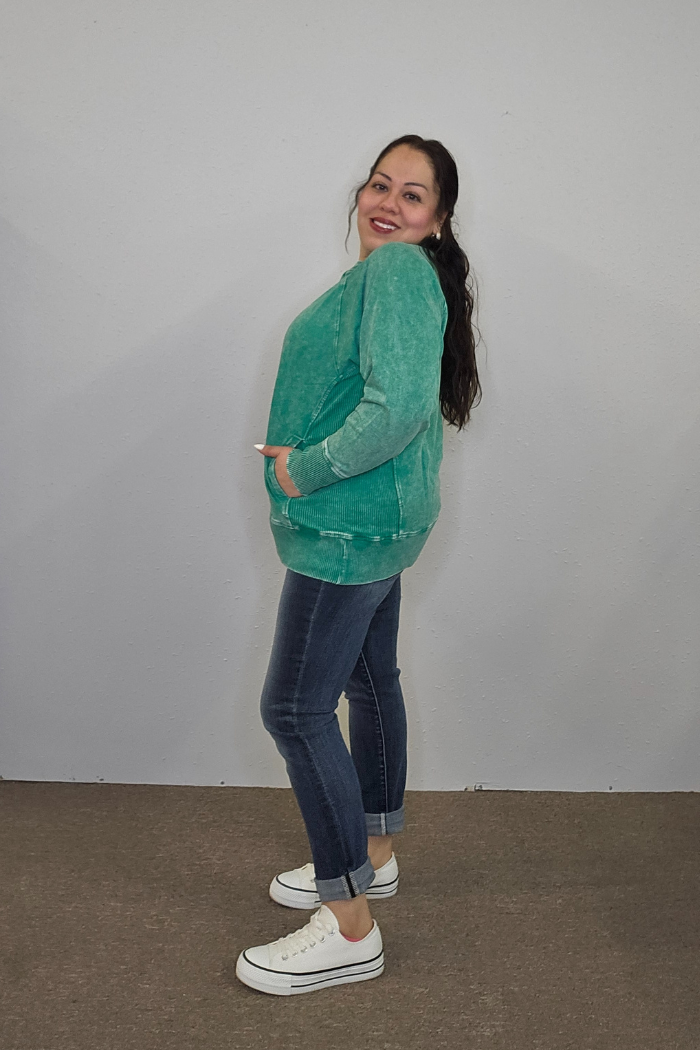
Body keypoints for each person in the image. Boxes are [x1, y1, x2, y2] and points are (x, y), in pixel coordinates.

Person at [236, 134, 481, 996]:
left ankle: (348, 925)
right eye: (381, 184)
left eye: (413, 195)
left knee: (295, 708)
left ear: (438, 220)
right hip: (376, 525)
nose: (389, 201)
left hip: (346, 530)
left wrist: (302, 468)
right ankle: (371, 857)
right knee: (370, 682)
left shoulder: (398, 274)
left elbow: (396, 411)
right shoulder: (392, 277)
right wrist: (305, 449)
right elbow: (369, 399)